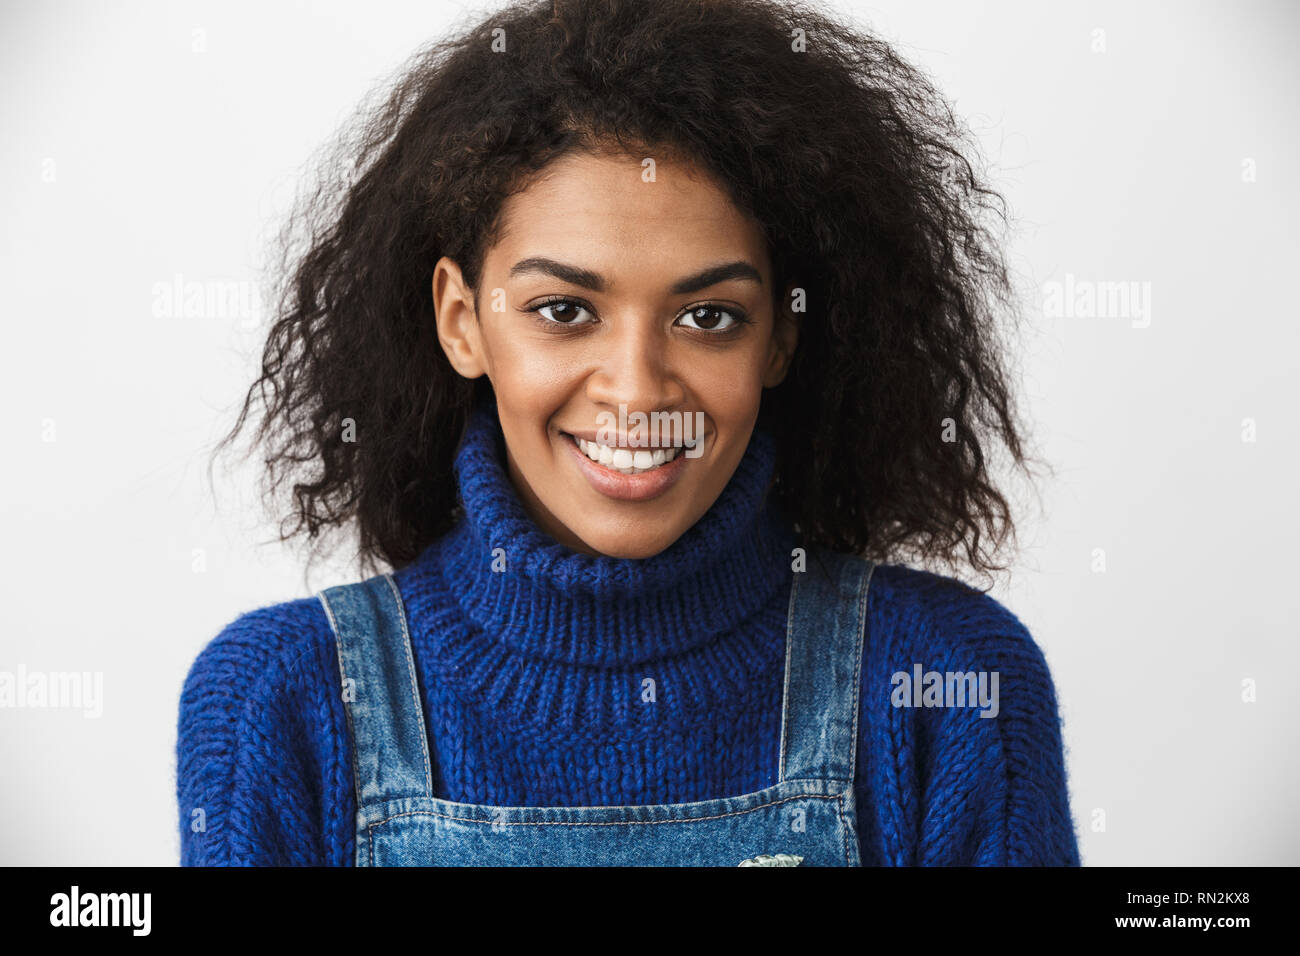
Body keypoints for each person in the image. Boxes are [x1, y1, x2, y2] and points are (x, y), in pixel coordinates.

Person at [177, 0, 1081, 866]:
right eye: (564, 309)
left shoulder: (950, 687)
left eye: (710, 318)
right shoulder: (279, 701)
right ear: (462, 320)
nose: (637, 391)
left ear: (782, 338)